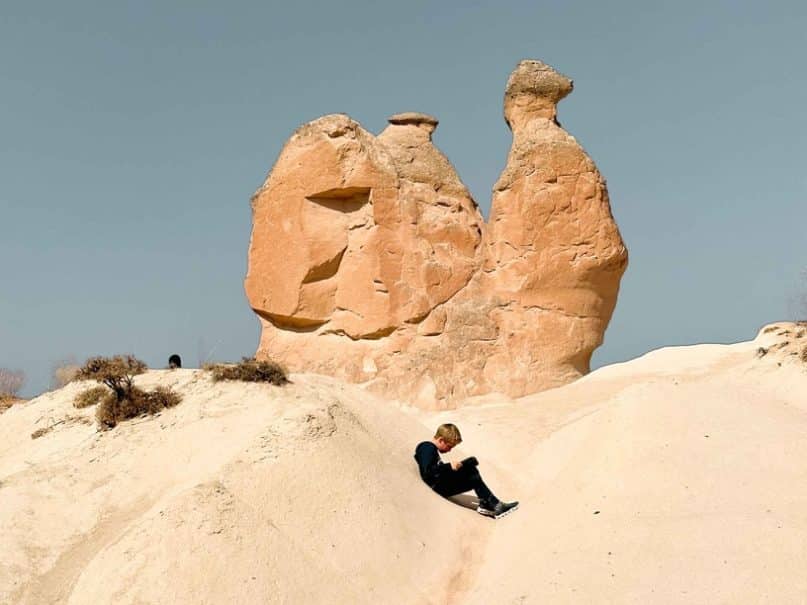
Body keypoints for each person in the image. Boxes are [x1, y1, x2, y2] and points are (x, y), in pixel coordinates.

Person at [414, 423, 518, 519]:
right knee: (471, 472)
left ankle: (489, 504)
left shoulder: (431, 449)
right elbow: (428, 471)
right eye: (449, 446)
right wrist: (449, 466)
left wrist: (458, 466)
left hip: (440, 484)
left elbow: (434, 470)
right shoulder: (427, 447)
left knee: (470, 466)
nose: (449, 450)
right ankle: (494, 505)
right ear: (441, 440)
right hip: (437, 486)